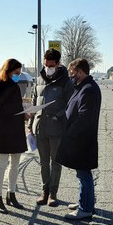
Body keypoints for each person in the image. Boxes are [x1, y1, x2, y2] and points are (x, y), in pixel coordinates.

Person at [56, 58, 101, 220]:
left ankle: (85, 208)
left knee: (83, 174)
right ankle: (86, 203)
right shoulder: (82, 87)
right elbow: (72, 108)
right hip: (80, 138)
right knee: (83, 174)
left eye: (72, 73)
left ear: (80, 72)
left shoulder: (88, 89)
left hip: (81, 140)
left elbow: (84, 117)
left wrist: (69, 132)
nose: (71, 76)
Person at [28, 48, 73, 207]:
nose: (48, 68)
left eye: (51, 65)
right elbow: (34, 101)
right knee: (43, 162)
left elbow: (70, 105)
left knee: (56, 162)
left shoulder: (66, 81)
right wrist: (30, 124)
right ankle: (44, 191)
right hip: (40, 127)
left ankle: (53, 193)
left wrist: (58, 116)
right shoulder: (38, 79)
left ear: (58, 64)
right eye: (46, 64)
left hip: (56, 128)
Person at [0, 58, 28, 214]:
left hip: (16, 129)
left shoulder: (14, 86)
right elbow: (1, 109)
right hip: (4, 130)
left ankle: (11, 194)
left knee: (15, 164)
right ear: (8, 71)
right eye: (16, 72)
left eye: (19, 73)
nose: (18, 75)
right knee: (2, 164)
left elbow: (15, 106)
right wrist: (20, 113)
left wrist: (25, 113)